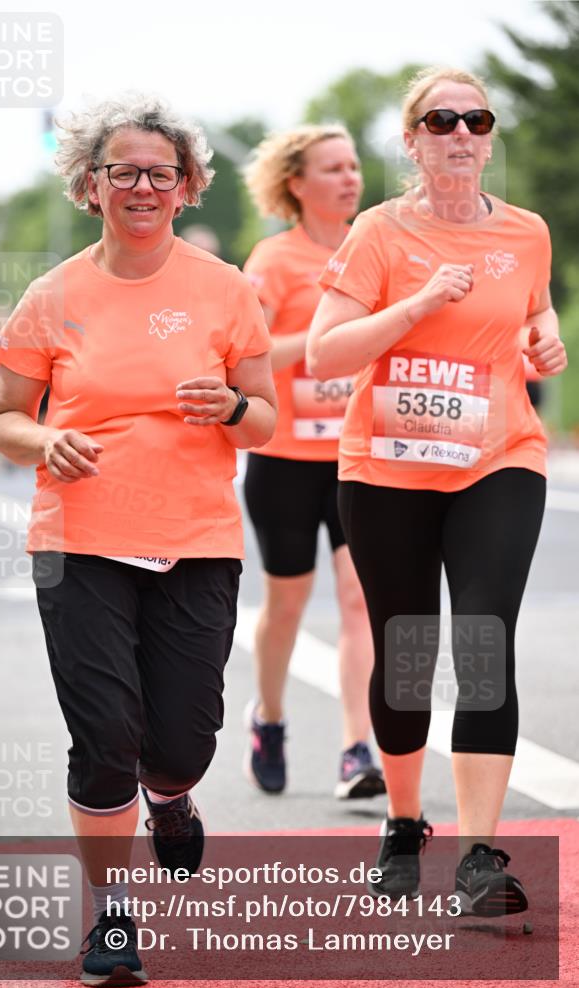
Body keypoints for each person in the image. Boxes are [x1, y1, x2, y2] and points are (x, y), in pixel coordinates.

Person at [0, 93, 276, 987]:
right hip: (79, 537)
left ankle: (173, 794)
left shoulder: (224, 290)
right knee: (104, 732)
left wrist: (231, 408)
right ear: (90, 185)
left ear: (187, 186)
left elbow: (264, 417)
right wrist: (45, 439)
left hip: (194, 538)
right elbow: (2, 419)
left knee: (179, 739)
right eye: (124, 171)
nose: (143, 186)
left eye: (161, 172)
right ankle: (112, 919)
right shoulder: (55, 295)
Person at [307, 67, 566, 913]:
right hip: (387, 471)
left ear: (489, 138)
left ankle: (479, 855)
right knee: (407, 653)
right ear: (412, 141)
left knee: (484, 640)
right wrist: (417, 304)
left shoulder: (526, 233)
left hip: (498, 458)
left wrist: (544, 339)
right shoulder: (380, 233)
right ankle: (405, 819)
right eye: (439, 119)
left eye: (475, 119)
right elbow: (326, 355)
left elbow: (533, 311)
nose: (459, 132)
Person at [241, 125, 385, 800]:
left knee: (360, 599)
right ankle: (268, 718)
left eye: (354, 166)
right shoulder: (272, 259)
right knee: (288, 602)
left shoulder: (378, 247)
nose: (349, 178)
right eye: (332, 168)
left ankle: (358, 748)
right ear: (296, 184)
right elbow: (243, 354)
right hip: (284, 460)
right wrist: (322, 342)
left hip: (359, 455)